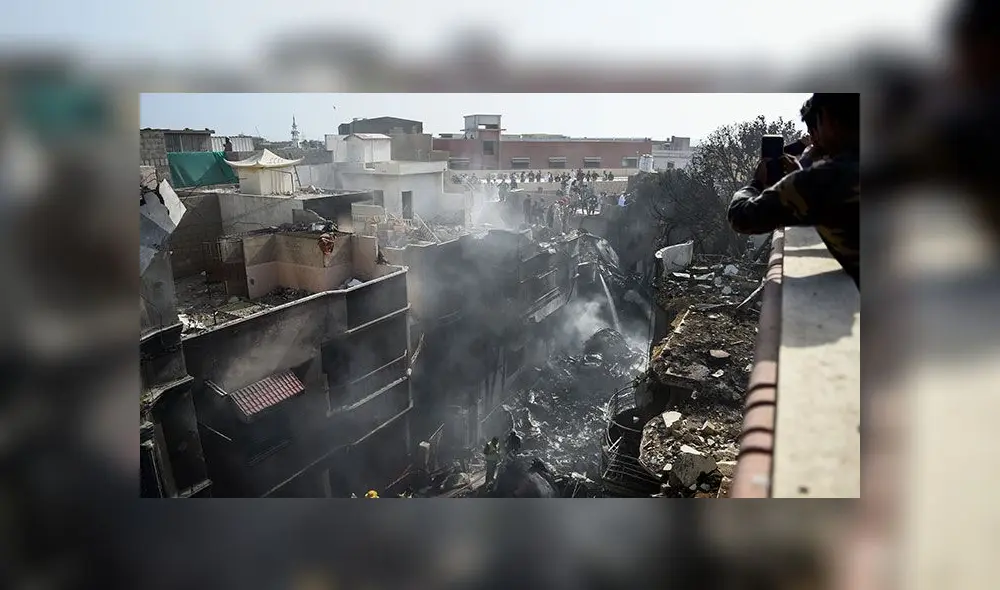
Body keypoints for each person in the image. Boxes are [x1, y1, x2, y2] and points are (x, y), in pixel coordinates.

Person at [727, 93, 859, 288]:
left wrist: (755, 184)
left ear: (829, 120)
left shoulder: (822, 181)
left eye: (816, 125)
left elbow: (741, 216)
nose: (813, 135)